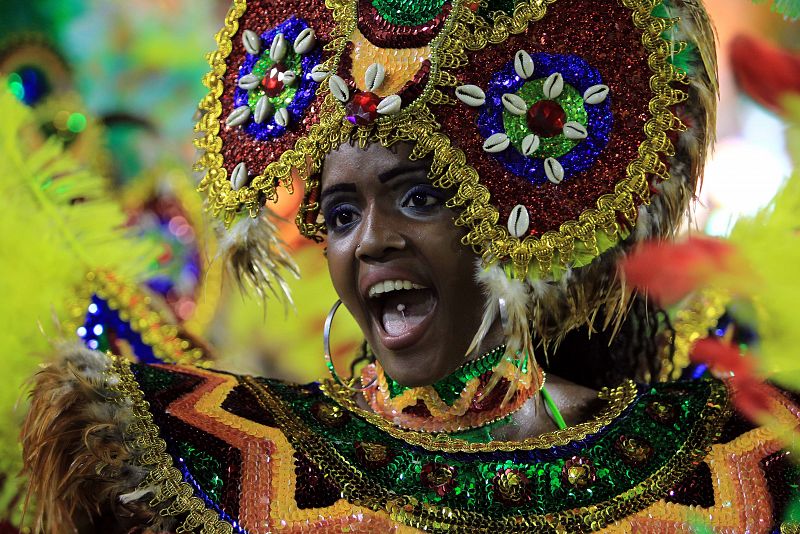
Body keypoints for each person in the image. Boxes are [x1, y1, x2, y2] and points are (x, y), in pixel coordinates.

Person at [21, 0, 800, 532]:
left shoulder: (731, 464)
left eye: (420, 196)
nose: (371, 242)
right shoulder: (224, 458)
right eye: (340, 215)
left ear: (511, 221)